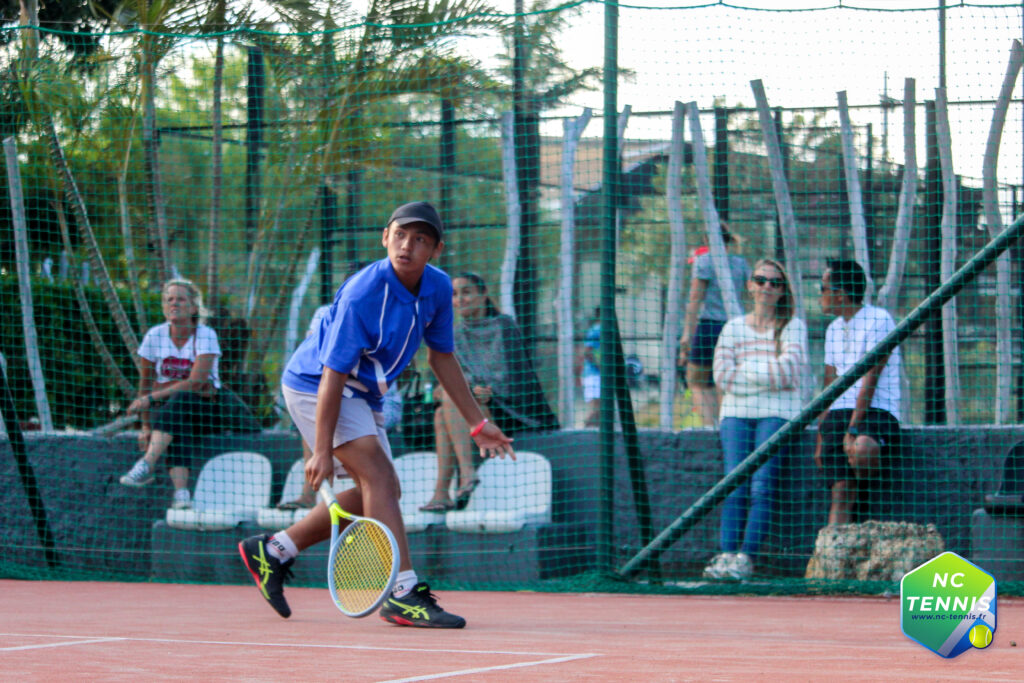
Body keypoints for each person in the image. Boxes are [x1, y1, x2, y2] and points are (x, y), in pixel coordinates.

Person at [238, 201, 514, 628]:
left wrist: (478, 423)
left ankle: (273, 550)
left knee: (379, 493)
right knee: (380, 479)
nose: (408, 245)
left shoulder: (438, 288)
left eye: (420, 239)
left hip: (365, 393)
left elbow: (443, 357)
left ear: (436, 249)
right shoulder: (363, 293)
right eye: (401, 234)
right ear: (385, 237)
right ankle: (403, 593)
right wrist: (322, 450)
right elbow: (332, 375)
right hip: (316, 386)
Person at [420, 273, 558, 512]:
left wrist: (485, 391)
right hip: (472, 411)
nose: (460, 299)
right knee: (442, 412)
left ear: (483, 295)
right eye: (454, 294)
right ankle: (444, 492)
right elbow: (446, 379)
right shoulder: (453, 335)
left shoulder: (504, 326)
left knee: (453, 400)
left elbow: (515, 377)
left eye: (466, 292)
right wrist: (460, 389)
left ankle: (464, 476)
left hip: (510, 409)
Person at [704, 259, 806, 580]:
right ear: (750, 285)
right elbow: (721, 376)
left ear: (782, 290)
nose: (766, 287)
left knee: (762, 486)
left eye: (775, 283)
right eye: (760, 280)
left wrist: (745, 370)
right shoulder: (732, 328)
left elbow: (790, 370)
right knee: (734, 483)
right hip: (735, 415)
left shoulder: (793, 327)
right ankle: (725, 555)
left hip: (777, 415)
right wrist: (767, 372)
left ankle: (744, 560)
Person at [119, 279, 260, 508]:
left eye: (181, 299)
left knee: (182, 399)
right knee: (176, 417)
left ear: (194, 307)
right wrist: (145, 427)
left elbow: (196, 383)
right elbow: (145, 383)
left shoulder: (205, 335)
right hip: (169, 412)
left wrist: (152, 398)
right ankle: (182, 495)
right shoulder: (154, 336)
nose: (174, 303)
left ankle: (147, 463)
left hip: (208, 409)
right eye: (169, 299)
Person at [277, 303, 403, 511]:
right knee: (381, 486)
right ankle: (308, 495)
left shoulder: (394, 311)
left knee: (386, 487)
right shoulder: (328, 311)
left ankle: (282, 543)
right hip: (337, 393)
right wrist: (322, 452)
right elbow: (324, 359)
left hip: (379, 401)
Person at [814, 259, 902, 525]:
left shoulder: (879, 320)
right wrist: (822, 436)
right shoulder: (832, 330)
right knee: (839, 491)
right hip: (839, 413)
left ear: (840, 294)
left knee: (862, 449)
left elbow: (870, 380)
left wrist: (852, 430)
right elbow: (829, 385)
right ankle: (834, 556)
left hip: (875, 410)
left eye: (823, 288)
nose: (820, 295)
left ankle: (872, 513)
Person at [678, 226, 751, 427]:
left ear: (707, 240)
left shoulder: (704, 262)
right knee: (724, 382)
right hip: (736, 328)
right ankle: (725, 426)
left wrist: (687, 335)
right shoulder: (740, 263)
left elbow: (695, 300)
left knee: (696, 381)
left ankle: (711, 427)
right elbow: (751, 295)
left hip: (709, 328)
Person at [579, 308, 602, 428]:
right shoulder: (596, 330)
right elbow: (587, 352)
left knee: (601, 411)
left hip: (596, 375)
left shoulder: (601, 329)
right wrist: (601, 367)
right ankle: (584, 430)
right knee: (596, 408)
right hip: (594, 375)